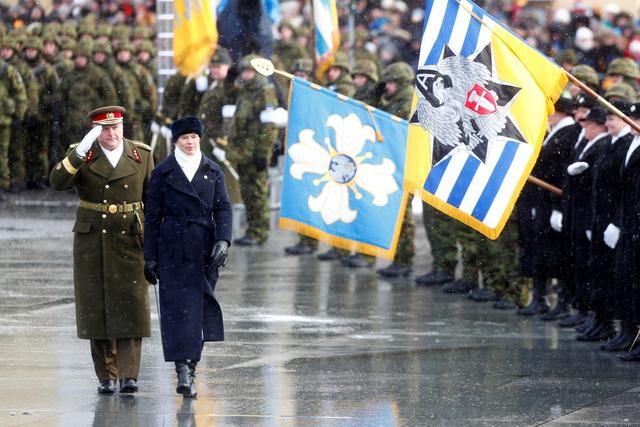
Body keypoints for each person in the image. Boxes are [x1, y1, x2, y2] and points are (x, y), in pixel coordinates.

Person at [49, 106, 154, 395]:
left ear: (122, 127)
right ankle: (106, 375)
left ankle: (128, 374)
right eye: (104, 129)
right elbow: (57, 182)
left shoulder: (141, 155)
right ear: (96, 131)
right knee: (97, 307)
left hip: (131, 237)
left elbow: (153, 199)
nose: (111, 134)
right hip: (93, 238)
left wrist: (156, 244)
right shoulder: (83, 154)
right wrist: (79, 151)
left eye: (115, 128)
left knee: (131, 305)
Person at [143, 117, 232, 398]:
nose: (190, 142)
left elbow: (224, 209)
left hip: (205, 250)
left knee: (196, 311)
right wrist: (150, 257)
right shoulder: (163, 172)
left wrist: (223, 240)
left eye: (194, 137)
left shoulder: (213, 170)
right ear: (176, 141)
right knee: (176, 311)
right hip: (172, 247)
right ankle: (183, 369)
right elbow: (153, 216)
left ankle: (190, 367)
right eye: (185, 138)